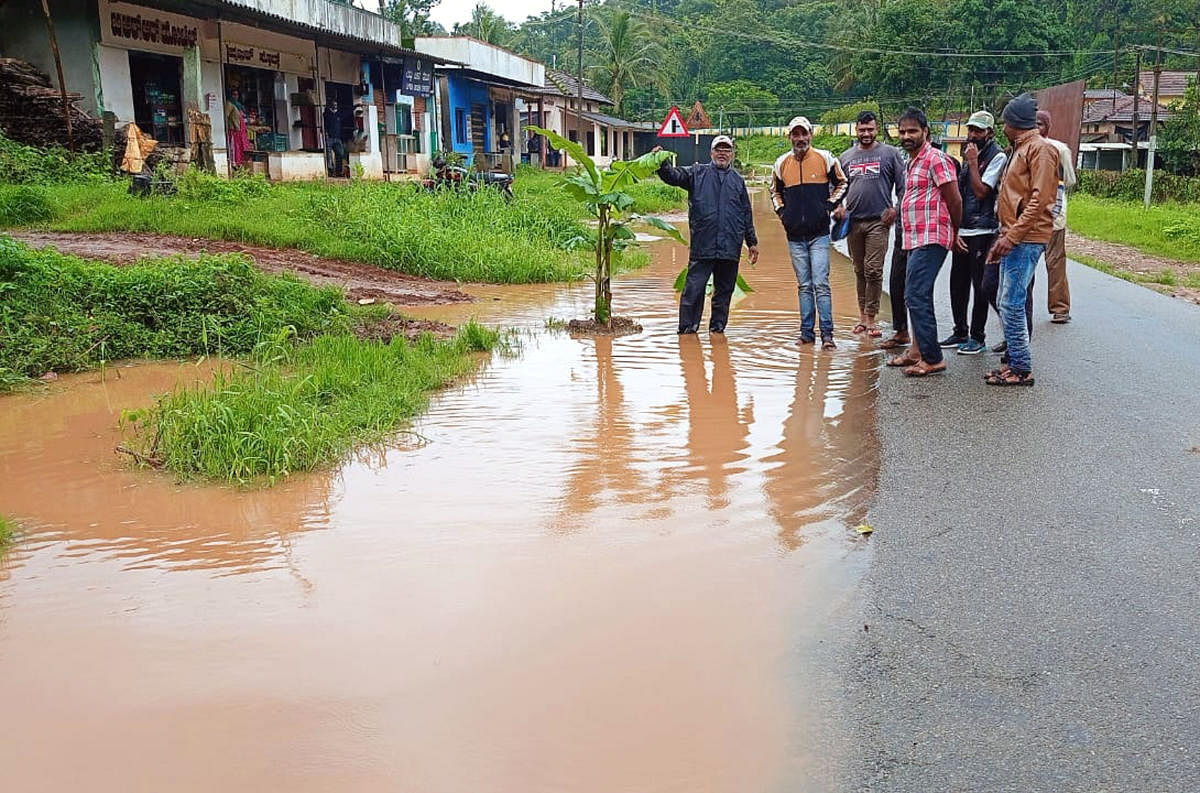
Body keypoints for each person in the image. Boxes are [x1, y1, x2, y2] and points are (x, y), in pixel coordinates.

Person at [984, 93, 1060, 387]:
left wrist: (1013, 236)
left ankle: (1021, 368)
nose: (1003, 126)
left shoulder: (1039, 150)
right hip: (1014, 234)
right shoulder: (1021, 147)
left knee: (1012, 302)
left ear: (1013, 122)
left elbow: (1040, 200)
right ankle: (1015, 362)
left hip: (1026, 237)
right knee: (1007, 300)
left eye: (1005, 121)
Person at [654, 135, 759, 334]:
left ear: (732, 154)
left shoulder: (737, 181)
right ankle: (687, 332)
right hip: (703, 245)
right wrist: (661, 162)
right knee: (693, 291)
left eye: (726, 150)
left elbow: (746, 213)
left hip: (730, 248)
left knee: (723, 293)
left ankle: (717, 332)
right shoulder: (697, 173)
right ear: (711, 153)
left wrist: (751, 242)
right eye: (718, 149)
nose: (722, 153)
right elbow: (674, 176)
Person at [887, 107, 962, 377]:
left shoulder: (936, 159)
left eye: (913, 131)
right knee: (917, 294)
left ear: (925, 132)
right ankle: (917, 351)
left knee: (915, 294)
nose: (907, 135)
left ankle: (933, 358)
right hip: (914, 237)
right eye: (903, 131)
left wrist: (956, 231)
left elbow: (954, 198)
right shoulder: (911, 162)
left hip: (932, 236)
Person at [771, 116, 848, 349]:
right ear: (790, 137)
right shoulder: (781, 163)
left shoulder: (825, 158)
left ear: (810, 135)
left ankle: (827, 335)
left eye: (804, 133)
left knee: (821, 284)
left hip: (819, 234)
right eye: (796, 134)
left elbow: (842, 183)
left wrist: (829, 206)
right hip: (794, 236)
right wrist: (783, 214)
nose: (800, 138)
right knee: (804, 285)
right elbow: (775, 192)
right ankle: (806, 333)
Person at [835, 110, 906, 339]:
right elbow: (836, 189)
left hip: (879, 222)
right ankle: (862, 318)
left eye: (870, 129)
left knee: (873, 269)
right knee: (859, 270)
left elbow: (903, 186)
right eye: (862, 130)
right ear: (856, 130)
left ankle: (872, 318)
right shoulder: (845, 157)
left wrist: (896, 209)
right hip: (853, 222)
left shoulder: (890, 153)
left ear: (877, 129)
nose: (866, 134)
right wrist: (838, 208)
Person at [943, 110, 1008, 355]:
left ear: (989, 132)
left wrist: (971, 162)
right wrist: (954, 227)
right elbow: (959, 193)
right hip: (964, 228)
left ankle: (977, 337)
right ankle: (959, 330)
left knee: (980, 285)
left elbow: (982, 191)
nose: (973, 134)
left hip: (984, 228)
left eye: (978, 130)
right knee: (957, 283)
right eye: (971, 129)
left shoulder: (997, 156)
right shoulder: (968, 152)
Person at [1036, 109, 1078, 324]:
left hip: (1054, 216)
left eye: (1040, 125)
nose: (1036, 129)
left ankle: (1060, 308)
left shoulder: (1060, 149)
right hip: (1028, 217)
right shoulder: (1020, 147)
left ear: (1048, 127)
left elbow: (1068, 180)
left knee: (1055, 262)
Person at [224, 88, 250, 169]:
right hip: (234, 130)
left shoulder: (238, 105)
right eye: (234, 94)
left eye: (237, 94)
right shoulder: (229, 104)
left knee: (241, 147)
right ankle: (234, 162)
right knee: (234, 147)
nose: (236, 96)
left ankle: (240, 163)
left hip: (240, 130)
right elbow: (226, 116)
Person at [324, 99, 346, 177]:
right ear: (330, 105)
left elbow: (348, 112)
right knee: (329, 155)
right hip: (329, 138)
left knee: (340, 154)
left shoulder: (339, 114)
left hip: (338, 138)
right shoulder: (326, 114)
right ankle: (330, 171)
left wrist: (356, 107)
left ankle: (338, 171)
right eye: (333, 104)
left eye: (336, 105)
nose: (335, 106)